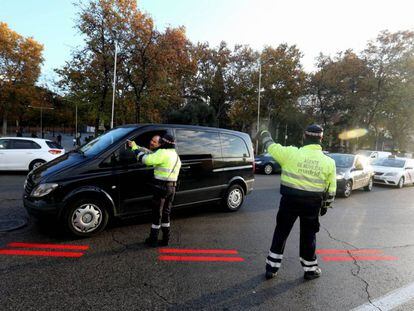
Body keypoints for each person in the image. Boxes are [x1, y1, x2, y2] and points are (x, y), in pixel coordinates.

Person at [259, 124, 336, 280]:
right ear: (321, 139)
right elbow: (331, 189)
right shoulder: (329, 162)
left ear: (304, 137)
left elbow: (271, 147)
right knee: (308, 236)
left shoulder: (290, 154)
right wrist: (325, 206)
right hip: (312, 204)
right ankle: (310, 270)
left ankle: (271, 269)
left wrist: (265, 134)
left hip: (289, 201)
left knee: (281, 232)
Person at [128, 134, 181, 247]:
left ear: (165, 143)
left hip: (160, 188)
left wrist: (134, 149)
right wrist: (139, 147)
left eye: (161, 141)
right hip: (172, 188)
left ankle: (153, 239)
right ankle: (166, 239)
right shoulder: (175, 155)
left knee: (157, 214)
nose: (160, 143)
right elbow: (153, 155)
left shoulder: (162, 153)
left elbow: (145, 160)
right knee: (166, 213)